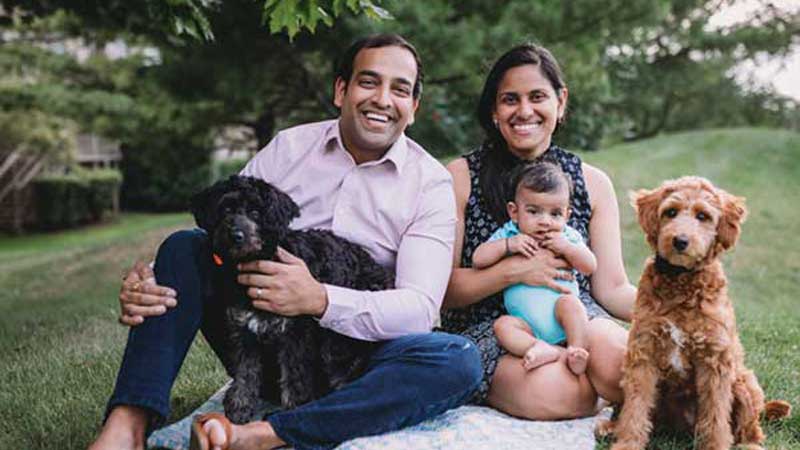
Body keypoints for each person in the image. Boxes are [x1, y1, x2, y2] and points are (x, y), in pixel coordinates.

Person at [88, 33, 482, 450]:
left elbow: (420, 309)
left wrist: (320, 300)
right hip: (266, 344)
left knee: (456, 359)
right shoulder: (290, 148)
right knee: (183, 246)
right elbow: (219, 233)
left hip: (356, 364)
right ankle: (127, 425)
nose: (383, 99)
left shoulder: (429, 183)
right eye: (369, 82)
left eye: (400, 89)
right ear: (340, 90)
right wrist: (153, 279)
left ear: (413, 108)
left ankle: (266, 434)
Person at [441, 43, 636, 420]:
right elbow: (443, 291)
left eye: (537, 97)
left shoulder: (592, 183)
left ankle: (598, 376)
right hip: (495, 329)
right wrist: (516, 270)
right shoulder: (460, 178)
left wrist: (674, 312)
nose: (524, 111)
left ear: (560, 102)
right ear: (494, 111)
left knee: (622, 368)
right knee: (562, 395)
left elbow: (611, 287)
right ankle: (589, 386)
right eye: (509, 99)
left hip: (575, 315)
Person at [472, 161, 595, 376]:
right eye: (534, 211)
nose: (545, 221)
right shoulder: (510, 234)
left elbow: (589, 266)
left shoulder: (567, 236)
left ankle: (577, 349)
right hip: (525, 324)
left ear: (567, 215)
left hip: (560, 314)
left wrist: (567, 248)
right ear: (514, 212)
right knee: (503, 326)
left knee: (572, 305)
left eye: (555, 213)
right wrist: (508, 246)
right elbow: (478, 259)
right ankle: (536, 348)